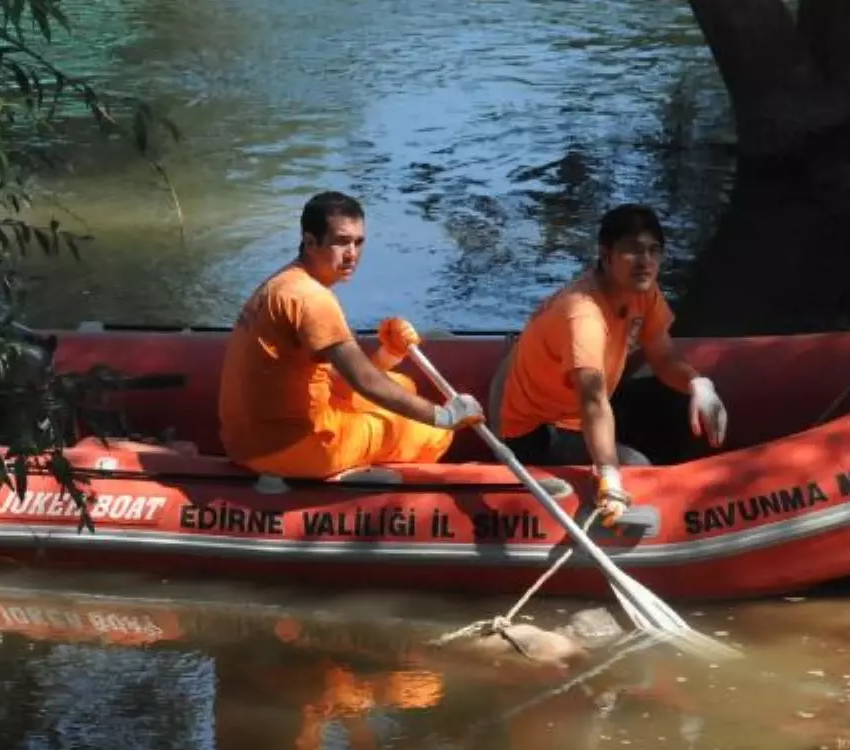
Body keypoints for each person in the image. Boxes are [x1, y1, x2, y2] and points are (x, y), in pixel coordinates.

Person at [218, 190, 484, 479]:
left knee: (403, 384)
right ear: (310, 241)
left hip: (250, 440)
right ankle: (390, 488)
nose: (352, 255)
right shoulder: (312, 299)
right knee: (433, 435)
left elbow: (336, 376)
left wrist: (387, 355)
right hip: (293, 446)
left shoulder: (284, 282)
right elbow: (365, 382)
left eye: (358, 242)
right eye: (341, 242)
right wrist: (444, 417)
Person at [494, 204, 728, 524]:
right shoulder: (583, 315)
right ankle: (664, 507)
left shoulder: (641, 291)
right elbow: (592, 399)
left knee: (677, 403)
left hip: (580, 408)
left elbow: (662, 355)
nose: (645, 261)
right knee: (636, 465)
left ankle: (695, 487)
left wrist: (698, 383)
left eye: (653, 250)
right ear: (606, 256)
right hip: (540, 429)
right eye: (632, 250)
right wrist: (609, 473)